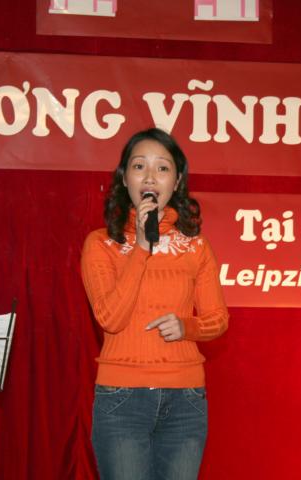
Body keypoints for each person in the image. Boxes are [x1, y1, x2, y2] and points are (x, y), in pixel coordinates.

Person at [80, 127, 229, 480]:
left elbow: (218, 318)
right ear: (124, 179)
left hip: (185, 400)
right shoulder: (100, 244)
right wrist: (142, 248)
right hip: (122, 400)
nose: (150, 177)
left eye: (162, 168)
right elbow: (110, 319)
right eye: (139, 166)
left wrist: (187, 326)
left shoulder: (195, 246)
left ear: (176, 182)